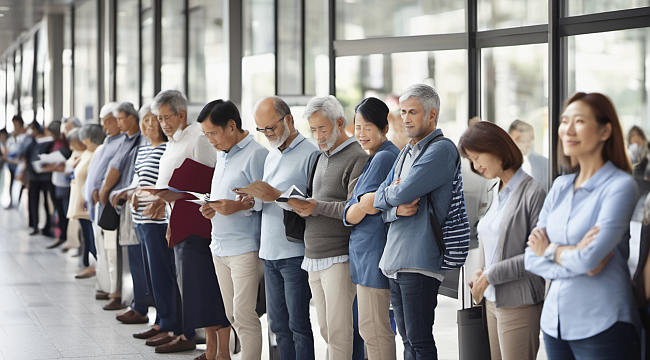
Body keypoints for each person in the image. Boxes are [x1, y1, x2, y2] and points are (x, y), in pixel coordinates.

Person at [525, 92, 641, 360]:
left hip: (603, 322)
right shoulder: (560, 186)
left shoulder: (620, 186)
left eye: (579, 121)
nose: (568, 129)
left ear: (605, 131)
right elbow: (531, 257)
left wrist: (551, 250)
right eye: (565, 121)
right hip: (554, 323)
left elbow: (588, 259)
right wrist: (574, 256)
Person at [373, 83, 460, 359]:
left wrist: (393, 194)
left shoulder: (441, 150)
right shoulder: (405, 151)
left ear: (432, 114)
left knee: (419, 341)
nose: (406, 118)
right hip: (396, 260)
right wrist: (395, 209)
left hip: (420, 261)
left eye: (413, 112)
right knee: (408, 341)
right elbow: (378, 199)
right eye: (403, 112)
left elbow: (403, 191)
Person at [146, 90, 231, 357]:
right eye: (159, 119)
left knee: (206, 290)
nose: (162, 124)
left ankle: (220, 351)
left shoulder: (198, 138)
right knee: (195, 292)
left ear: (182, 114)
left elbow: (211, 183)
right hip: (180, 223)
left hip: (200, 225)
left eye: (166, 117)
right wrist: (166, 202)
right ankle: (211, 350)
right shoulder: (171, 142)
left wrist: (176, 195)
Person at [232, 96, 318, 360]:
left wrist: (276, 195)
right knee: (277, 325)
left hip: (294, 253)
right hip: (269, 253)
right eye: (262, 129)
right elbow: (265, 204)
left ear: (289, 120)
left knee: (298, 326)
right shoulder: (271, 156)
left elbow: (312, 206)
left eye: (271, 128)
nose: (267, 134)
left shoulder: (311, 154)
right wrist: (251, 200)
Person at [287, 95, 368, 360]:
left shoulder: (357, 157)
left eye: (322, 128)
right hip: (313, 255)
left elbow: (353, 207)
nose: (318, 136)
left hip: (339, 256)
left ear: (340, 122)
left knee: (339, 330)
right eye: (313, 129)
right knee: (325, 328)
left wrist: (316, 206)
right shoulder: (320, 157)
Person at [458, 121, 546, 360]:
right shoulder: (494, 190)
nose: (476, 166)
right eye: (471, 160)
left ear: (496, 149)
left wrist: (490, 274)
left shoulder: (533, 192)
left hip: (519, 301)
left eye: (477, 157)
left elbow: (538, 256)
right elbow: (489, 240)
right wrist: (481, 273)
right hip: (491, 299)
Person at [198, 99, 268, 360]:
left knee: (244, 315)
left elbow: (264, 199)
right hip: (219, 247)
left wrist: (236, 208)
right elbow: (222, 197)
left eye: (213, 134)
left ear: (231, 126)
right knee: (230, 315)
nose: (211, 141)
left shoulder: (257, 154)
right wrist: (211, 207)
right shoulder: (222, 154)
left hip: (245, 248)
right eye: (206, 136)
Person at [343, 97, 399, 360]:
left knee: (374, 329)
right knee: (372, 328)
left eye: (367, 127)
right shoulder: (377, 156)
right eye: (358, 127)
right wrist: (354, 207)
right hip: (368, 255)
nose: (361, 133)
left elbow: (364, 208)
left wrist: (355, 207)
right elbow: (352, 209)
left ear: (383, 128)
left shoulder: (384, 158)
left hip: (373, 253)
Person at [99, 102, 150, 324]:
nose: (119, 123)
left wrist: (108, 190)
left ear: (132, 118)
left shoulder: (142, 141)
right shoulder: (125, 140)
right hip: (125, 203)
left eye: (121, 118)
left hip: (136, 204)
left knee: (138, 259)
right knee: (132, 258)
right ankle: (137, 303)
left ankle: (141, 306)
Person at [82, 102, 127, 310]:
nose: (105, 126)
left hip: (108, 205)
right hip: (96, 206)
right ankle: (104, 285)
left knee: (111, 250)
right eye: (103, 122)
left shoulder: (123, 142)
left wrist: (102, 190)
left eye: (109, 121)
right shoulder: (108, 142)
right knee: (101, 249)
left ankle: (114, 291)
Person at [73, 125, 105, 278]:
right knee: (87, 236)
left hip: (89, 203)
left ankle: (98, 267)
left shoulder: (97, 152)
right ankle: (95, 265)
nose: (83, 142)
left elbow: (93, 179)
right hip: (84, 201)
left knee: (92, 238)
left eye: (85, 139)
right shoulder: (88, 153)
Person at [18, 121, 55, 237]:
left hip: (46, 176)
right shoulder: (29, 141)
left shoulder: (47, 140)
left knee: (46, 202)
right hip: (33, 176)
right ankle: (34, 225)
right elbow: (21, 154)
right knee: (33, 201)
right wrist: (28, 139)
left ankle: (47, 226)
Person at [508, 120, 549, 190]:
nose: (527, 144)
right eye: (522, 140)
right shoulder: (502, 165)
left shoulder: (545, 164)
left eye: (530, 140)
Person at [4, 116, 27, 208]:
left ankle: (19, 201)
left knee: (22, 182)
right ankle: (12, 202)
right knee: (11, 182)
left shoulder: (25, 135)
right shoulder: (11, 136)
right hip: (12, 162)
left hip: (21, 162)